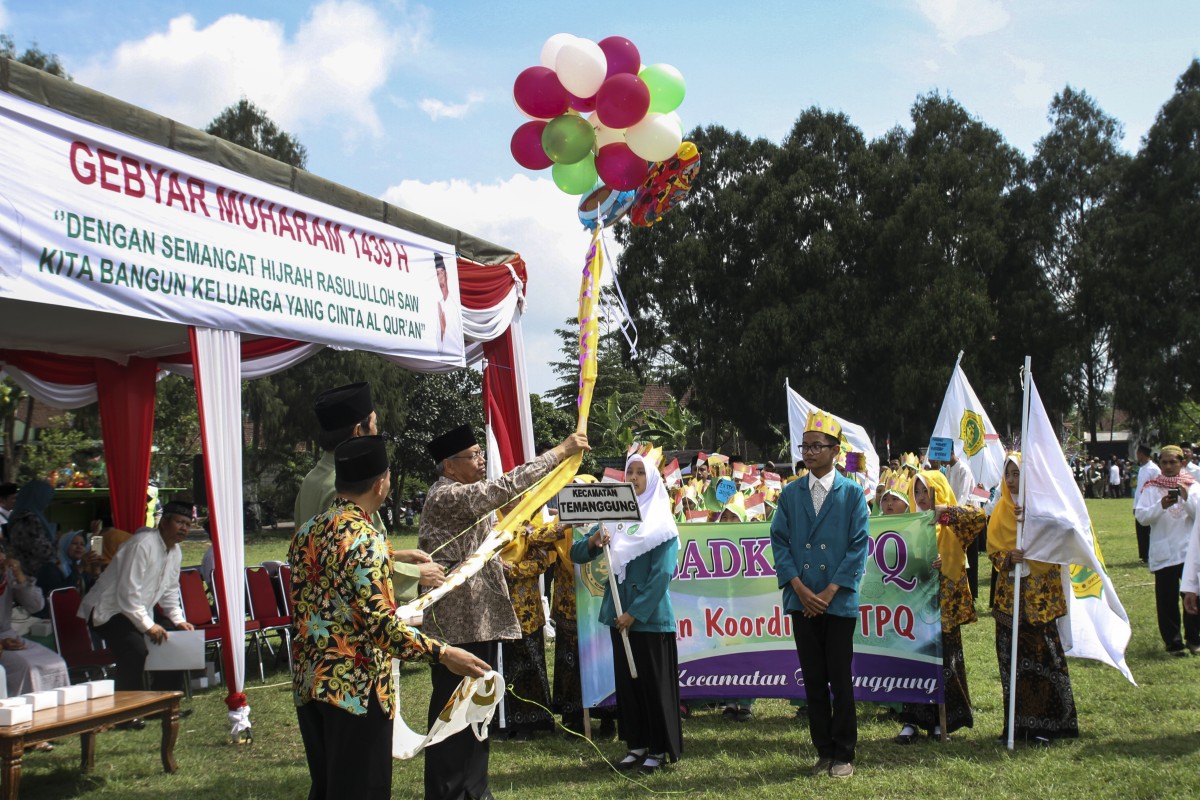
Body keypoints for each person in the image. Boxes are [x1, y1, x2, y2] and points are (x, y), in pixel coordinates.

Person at [288, 435, 488, 800]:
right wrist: (445, 654)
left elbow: (334, 578)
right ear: (381, 483)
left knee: (328, 787)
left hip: (311, 683)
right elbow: (382, 627)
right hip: (355, 691)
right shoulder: (367, 540)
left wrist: (394, 557)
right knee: (363, 789)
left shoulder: (308, 531)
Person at [419, 424, 588, 800]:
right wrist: (559, 452)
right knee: (453, 711)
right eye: (474, 456)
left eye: (481, 454)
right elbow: (505, 487)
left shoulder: (458, 492)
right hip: (457, 626)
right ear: (449, 465)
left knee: (475, 711)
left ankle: (474, 789)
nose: (482, 462)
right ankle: (450, 790)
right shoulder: (449, 496)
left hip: (477, 620)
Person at [769, 409, 869, 779]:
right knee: (812, 678)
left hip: (837, 601)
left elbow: (858, 546)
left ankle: (844, 751)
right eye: (805, 446)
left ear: (835, 450)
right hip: (801, 600)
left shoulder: (852, 494)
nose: (809, 453)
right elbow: (779, 541)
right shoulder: (791, 494)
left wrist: (828, 591)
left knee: (839, 679)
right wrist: (798, 587)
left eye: (816, 446)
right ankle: (823, 750)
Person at [571, 448, 682, 774]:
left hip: (649, 619)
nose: (633, 479)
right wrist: (594, 543)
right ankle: (636, 744)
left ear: (652, 479)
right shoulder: (615, 517)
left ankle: (659, 748)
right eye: (629, 472)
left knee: (652, 685)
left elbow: (661, 574)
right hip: (617, 618)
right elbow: (578, 554)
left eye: (639, 473)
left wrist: (634, 614)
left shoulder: (662, 521)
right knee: (629, 685)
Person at [294, 381, 439, 601]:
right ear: (358, 431)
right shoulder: (344, 486)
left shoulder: (312, 478)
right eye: (374, 424)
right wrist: (414, 574)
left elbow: (339, 551)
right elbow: (353, 566)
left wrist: (395, 555)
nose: (377, 432)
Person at [986, 454, 1078, 744]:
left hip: (1040, 599)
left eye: (1018, 474)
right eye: (1008, 474)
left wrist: (1033, 529)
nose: (1012, 480)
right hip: (1009, 601)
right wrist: (1007, 556)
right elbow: (993, 549)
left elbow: (1060, 541)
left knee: (1043, 660)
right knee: (1011, 663)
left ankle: (1048, 725)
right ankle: (1016, 726)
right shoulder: (1001, 510)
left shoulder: (1044, 510)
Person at [894, 470, 985, 743]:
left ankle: (941, 721)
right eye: (917, 491)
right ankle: (913, 721)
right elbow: (896, 562)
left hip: (945, 607)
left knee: (946, 660)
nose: (921, 498)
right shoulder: (909, 525)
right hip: (916, 609)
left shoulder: (952, 525)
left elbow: (979, 518)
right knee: (915, 661)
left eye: (927, 491)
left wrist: (945, 511)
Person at [78, 499, 197, 693]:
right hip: (108, 609)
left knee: (176, 638)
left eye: (187, 524)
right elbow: (127, 593)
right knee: (134, 650)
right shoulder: (142, 544)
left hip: (135, 610)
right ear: (164, 522)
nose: (184, 528)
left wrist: (177, 619)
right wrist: (148, 625)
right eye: (179, 522)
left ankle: (164, 701)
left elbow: (170, 590)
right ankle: (129, 708)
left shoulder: (176, 552)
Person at [1134, 445, 1200, 656]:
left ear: (1182, 463)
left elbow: (1197, 515)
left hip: (1189, 552)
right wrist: (1160, 505)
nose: (1169, 466)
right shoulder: (1151, 488)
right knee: (1166, 600)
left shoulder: (1194, 486)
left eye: (1174, 462)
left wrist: (1185, 496)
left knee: (1193, 597)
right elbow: (1142, 517)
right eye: (1165, 462)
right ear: (1159, 464)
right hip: (1164, 551)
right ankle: (1173, 644)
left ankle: (1194, 639)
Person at [497, 519, 558, 741]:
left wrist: (510, 569)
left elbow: (541, 563)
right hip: (498, 609)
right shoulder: (492, 525)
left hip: (526, 609)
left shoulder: (532, 526)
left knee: (527, 663)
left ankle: (529, 721)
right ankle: (503, 722)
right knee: (501, 663)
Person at [0, 545, 69, 695]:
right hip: (3, 643)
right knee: (27, 667)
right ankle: (25, 715)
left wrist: (20, 577)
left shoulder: (7, 576)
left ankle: (59, 715)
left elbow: (36, 606)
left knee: (57, 663)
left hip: (8, 636)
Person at [34, 530, 101, 609]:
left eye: (82, 544)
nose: (79, 547)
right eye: (74, 543)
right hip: (50, 616)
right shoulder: (51, 567)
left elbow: (90, 595)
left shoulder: (80, 568)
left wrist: (96, 574)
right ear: (64, 545)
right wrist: (80, 568)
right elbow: (61, 595)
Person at [6, 479, 57, 576]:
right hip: (34, 576)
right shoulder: (28, 520)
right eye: (45, 499)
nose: (46, 503)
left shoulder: (19, 516)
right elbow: (42, 551)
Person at [1132, 445, 1161, 564]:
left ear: (1141, 454)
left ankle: (1149, 555)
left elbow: (1158, 488)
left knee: (1148, 531)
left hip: (1150, 504)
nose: (1137, 456)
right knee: (1140, 530)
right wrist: (1135, 505)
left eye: (1137, 453)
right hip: (1140, 504)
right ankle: (1143, 555)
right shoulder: (1142, 468)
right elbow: (1139, 489)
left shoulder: (1154, 469)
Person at [434, 254, 463, 354]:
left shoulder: (453, 306)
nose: (440, 276)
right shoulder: (439, 304)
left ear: (446, 274)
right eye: (437, 273)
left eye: (441, 272)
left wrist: (444, 329)